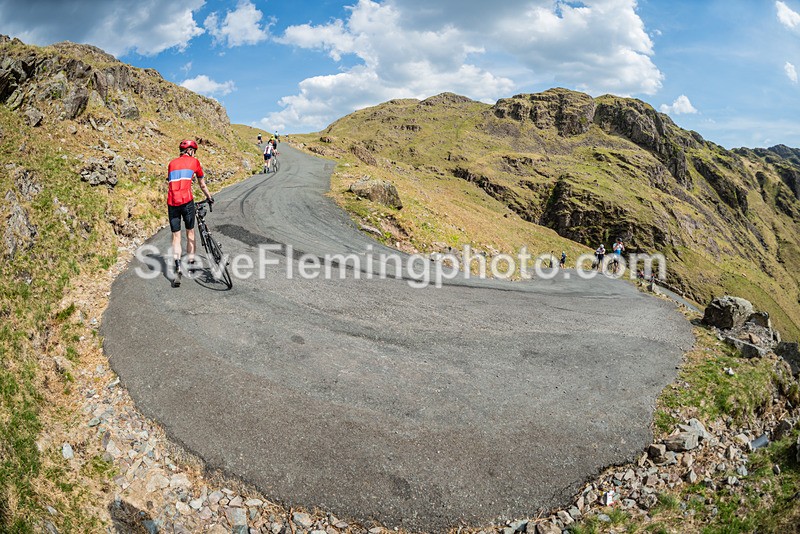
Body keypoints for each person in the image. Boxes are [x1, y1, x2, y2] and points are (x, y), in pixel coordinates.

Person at [167, 139, 213, 287]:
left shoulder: (171, 163)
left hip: (172, 202)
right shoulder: (194, 162)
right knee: (190, 232)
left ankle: (178, 266)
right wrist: (209, 197)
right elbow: (202, 184)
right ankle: (191, 263)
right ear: (191, 151)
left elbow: (174, 180)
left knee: (176, 236)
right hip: (186, 201)